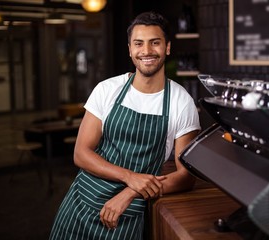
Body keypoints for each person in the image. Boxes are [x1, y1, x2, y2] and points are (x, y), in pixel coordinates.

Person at [49, 11, 201, 240]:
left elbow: (186, 176)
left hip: (127, 214)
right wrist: (130, 177)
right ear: (130, 49)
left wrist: (131, 192)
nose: (147, 51)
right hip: (80, 204)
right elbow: (81, 153)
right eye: (139, 43)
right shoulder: (107, 89)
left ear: (167, 47)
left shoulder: (181, 102)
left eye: (155, 43)